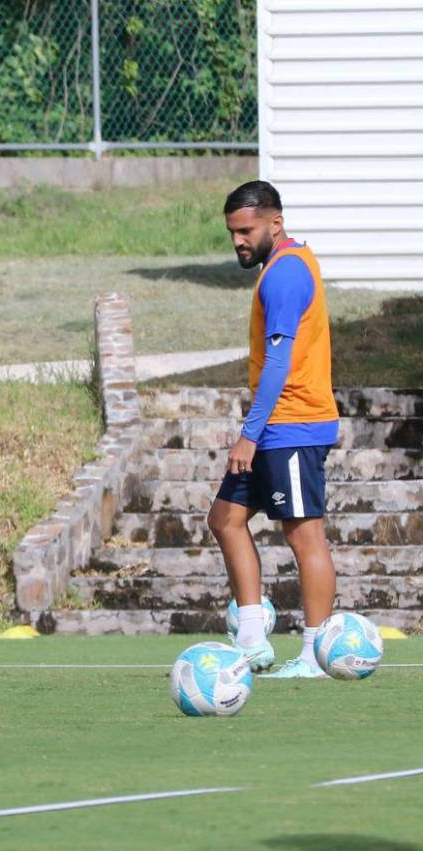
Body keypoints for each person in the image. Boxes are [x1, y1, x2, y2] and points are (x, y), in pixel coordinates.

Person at [208, 180, 339, 679]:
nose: (238, 241)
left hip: (293, 426)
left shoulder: (285, 274)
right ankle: (251, 639)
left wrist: (250, 433)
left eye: (246, 230)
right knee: (224, 519)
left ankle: (314, 656)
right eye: (232, 232)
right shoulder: (283, 264)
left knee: (304, 537)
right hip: (276, 428)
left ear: (275, 223)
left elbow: (280, 362)